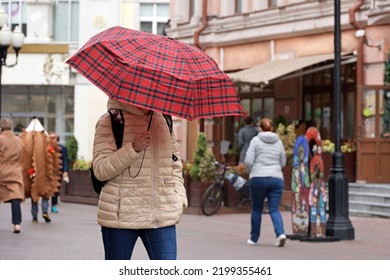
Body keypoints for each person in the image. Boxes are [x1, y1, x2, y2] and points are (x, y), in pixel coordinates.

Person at [92, 99, 188, 260]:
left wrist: (179, 196)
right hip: (121, 217)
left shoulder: (164, 118)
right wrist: (133, 148)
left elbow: (175, 163)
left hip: (162, 215)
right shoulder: (111, 120)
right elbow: (100, 170)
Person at [244, 118, 287, 247]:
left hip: (258, 178)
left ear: (259, 129)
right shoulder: (279, 142)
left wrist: (251, 171)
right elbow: (283, 161)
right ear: (272, 128)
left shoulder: (256, 141)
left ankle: (254, 238)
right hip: (276, 178)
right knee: (274, 208)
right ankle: (280, 234)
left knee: (257, 208)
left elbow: (248, 160)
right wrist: (276, 169)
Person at [0, 118, 25, 233]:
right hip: (15, 170)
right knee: (15, 198)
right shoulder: (18, 140)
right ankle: (17, 224)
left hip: (2, 170)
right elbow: (21, 155)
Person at [48, 132, 69, 213]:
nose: (51, 139)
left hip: (58, 172)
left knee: (56, 189)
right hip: (49, 171)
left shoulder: (62, 148)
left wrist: (65, 171)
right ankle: (45, 206)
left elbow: (65, 160)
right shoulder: (46, 148)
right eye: (50, 138)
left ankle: (53, 204)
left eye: (53, 138)